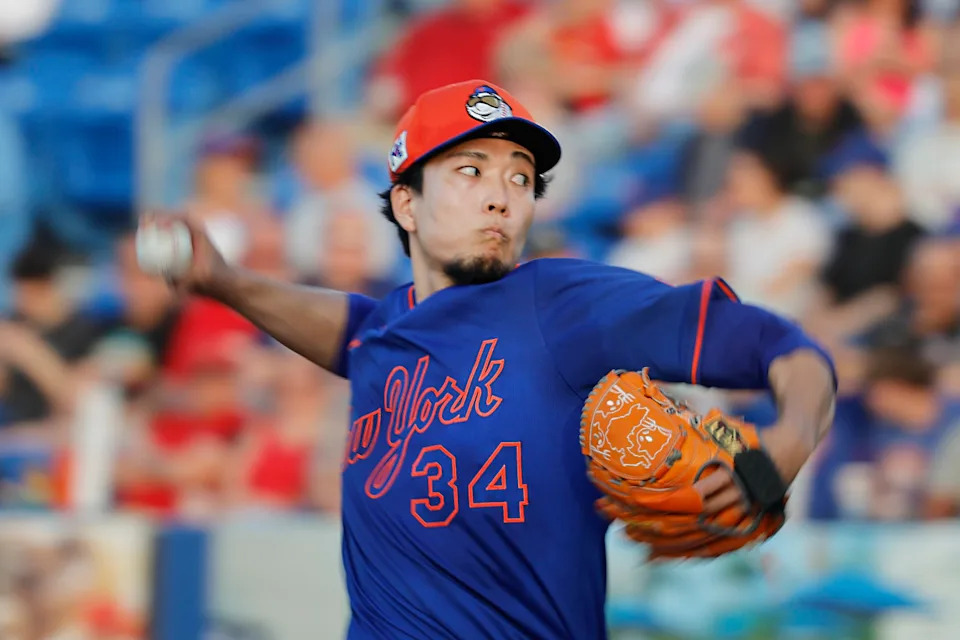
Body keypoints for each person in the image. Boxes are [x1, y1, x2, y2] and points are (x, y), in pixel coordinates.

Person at [142, 80, 837, 639]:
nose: (502, 194)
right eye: (470, 170)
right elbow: (349, 331)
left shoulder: (563, 304)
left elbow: (785, 349)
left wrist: (785, 443)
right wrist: (227, 282)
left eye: (521, 176)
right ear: (407, 206)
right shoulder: (384, 336)